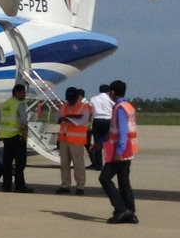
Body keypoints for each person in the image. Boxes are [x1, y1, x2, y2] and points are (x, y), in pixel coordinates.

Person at [98, 80, 138, 224]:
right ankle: (130, 212)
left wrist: (119, 151)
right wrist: (100, 143)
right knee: (123, 181)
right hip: (128, 149)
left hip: (120, 149)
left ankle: (121, 209)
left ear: (113, 92)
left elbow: (122, 131)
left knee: (104, 178)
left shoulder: (120, 108)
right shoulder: (128, 106)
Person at [0, 83, 32, 193]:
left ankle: (6, 185)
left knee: (7, 163)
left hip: (6, 137)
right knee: (20, 163)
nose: (25, 95)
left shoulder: (4, 104)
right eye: (23, 92)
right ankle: (19, 185)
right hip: (17, 136)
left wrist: (0, 130)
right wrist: (23, 127)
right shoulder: (19, 104)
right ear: (17, 92)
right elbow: (24, 119)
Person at [56, 87, 92, 195]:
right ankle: (65, 185)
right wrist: (62, 119)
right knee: (64, 164)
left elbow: (82, 121)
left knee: (78, 164)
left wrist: (67, 119)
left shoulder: (85, 107)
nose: (70, 101)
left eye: (72, 98)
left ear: (77, 97)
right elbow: (57, 118)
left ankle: (80, 186)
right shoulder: (63, 107)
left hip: (77, 140)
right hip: (64, 139)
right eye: (68, 99)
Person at [89, 82, 115, 171]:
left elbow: (90, 110)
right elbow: (114, 107)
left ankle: (98, 165)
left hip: (97, 120)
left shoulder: (93, 98)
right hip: (107, 120)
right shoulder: (110, 99)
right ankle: (109, 163)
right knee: (108, 142)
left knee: (97, 142)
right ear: (108, 91)